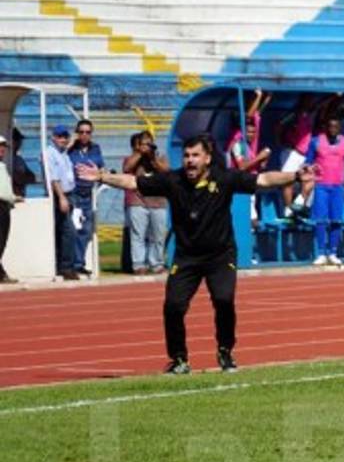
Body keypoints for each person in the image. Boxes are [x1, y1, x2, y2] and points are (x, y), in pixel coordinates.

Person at [76, 134, 314, 374]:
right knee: (173, 306)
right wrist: (102, 177)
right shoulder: (173, 180)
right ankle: (179, 359)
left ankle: (225, 351)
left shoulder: (225, 178)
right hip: (187, 257)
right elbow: (133, 182)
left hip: (220, 255)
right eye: (187, 156)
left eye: (195, 155)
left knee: (223, 301)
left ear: (207, 158)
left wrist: (295, 176)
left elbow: (263, 179)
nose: (190, 161)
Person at [303, 116, 344, 267]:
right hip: (321, 186)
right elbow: (307, 161)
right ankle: (321, 253)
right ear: (326, 128)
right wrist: (307, 174)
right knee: (320, 220)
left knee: (336, 220)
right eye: (330, 127)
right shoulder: (316, 141)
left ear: (339, 128)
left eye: (335, 127)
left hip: (338, 186)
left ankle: (333, 252)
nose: (332, 130)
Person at [123, 131, 171, 275]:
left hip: (158, 202)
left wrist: (152, 158)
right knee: (138, 235)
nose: (147, 146)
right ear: (137, 145)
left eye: (149, 143)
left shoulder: (160, 157)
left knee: (158, 235)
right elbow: (126, 168)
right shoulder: (132, 158)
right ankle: (139, 265)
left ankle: (156, 263)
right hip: (138, 201)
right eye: (144, 143)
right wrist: (139, 153)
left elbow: (165, 171)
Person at [66, 118, 103, 276]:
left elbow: (100, 166)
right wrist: (69, 145)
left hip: (88, 193)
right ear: (77, 133)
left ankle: (79, 262)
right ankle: (70, 263)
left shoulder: (95, 149)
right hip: (74, 192)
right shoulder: (71, 150)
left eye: (88, 132)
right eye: (81, 132)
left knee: (85, 230)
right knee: (73, 229)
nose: (84, 135)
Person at [44, 124, 78, 281]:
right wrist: (62, 197)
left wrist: (75, 137)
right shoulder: (50, 153)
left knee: (65, 231)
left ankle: (64, 265)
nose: (63, 139)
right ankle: (65, 267)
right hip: (60, 195)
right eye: (60, 136)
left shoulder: (63, 153)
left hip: (69, 194)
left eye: (65, 136)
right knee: (67, 232)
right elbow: (53, 178)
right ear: (53, 138)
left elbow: (67, 145)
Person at [0, 135, 19, 283]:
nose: (2, 149)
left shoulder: (2, 165)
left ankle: (1, 274)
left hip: (5, 206)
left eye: (3, 146)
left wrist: (13, 197)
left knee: (2, 240)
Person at [9, 128, 35, 198]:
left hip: (21, 195)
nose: (20, 143)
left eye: (19, 140)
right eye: (17, 140)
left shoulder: (19, 159)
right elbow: (16, 179)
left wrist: (22, 178)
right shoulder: (7, 159)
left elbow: (32, 177)